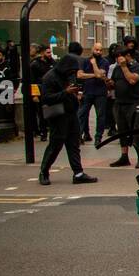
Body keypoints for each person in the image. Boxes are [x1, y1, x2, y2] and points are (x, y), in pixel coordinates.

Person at [37, 54, 97, 186]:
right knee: (55, 145)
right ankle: (44, 171)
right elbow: (46, 98)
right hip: (57, 115)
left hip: (70, 112)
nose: (73, 74)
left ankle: (78, 173)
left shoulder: (67, 75)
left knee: (73, 145)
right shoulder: (50, 77)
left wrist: (76, 95)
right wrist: (66, 93)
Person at [107, 46, 139, 167]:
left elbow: (132, 80)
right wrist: (109, 83)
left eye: (119, 56)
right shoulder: (117, 69)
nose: (117, 59)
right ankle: (124, 156)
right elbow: (114, 83)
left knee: (136, 129)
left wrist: (124, 67)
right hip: (119, 102)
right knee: (122, 130)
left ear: (127, 56)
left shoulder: (137, 67)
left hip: (133, 102)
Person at [76, 42, 110, 145]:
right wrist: (94, 74)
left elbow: (100, 75)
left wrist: (94, 64)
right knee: (82, 114)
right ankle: (79, 135)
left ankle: (98, 137)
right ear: (92, 49)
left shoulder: (104, 62)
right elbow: (80, 75)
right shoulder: (84, 61)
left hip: (100, 93)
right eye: (96, 49)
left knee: (100, 115)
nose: (98, 52)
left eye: (100, 50)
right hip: (87, 92)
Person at [28, 44, 54, 141]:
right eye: (48, 52)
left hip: (50, 91)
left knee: (51, 112)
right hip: (40, 91)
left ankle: (51, 130)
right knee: (42, 113)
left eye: (50, 52)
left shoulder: (52, 63)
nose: (50, 54)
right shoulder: (35, 64)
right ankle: (43, 132)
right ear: (42, 53)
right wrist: (35, 95)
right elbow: (32, 81)